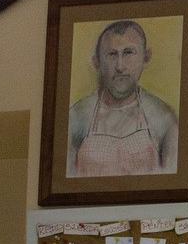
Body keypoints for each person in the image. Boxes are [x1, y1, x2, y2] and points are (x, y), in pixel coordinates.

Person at [66, 19, 179, 177]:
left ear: (146, 57)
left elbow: (173, 184)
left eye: (128, 53)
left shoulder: (164, 119)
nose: (120, 66)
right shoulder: (77, 117)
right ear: (96, 62)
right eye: (112, 54)